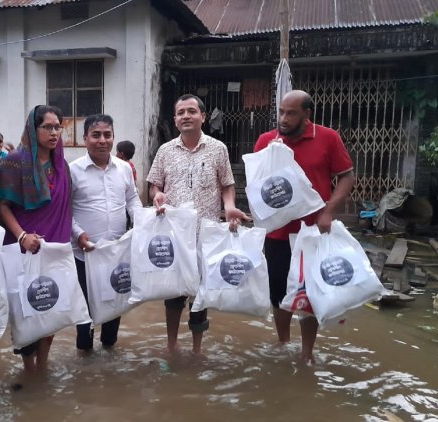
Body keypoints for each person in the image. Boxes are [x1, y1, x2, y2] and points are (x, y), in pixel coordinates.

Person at [254, 90, 355, 363]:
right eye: (281, 112)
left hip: (311, 233)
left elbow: (346, 176)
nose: (284, 119)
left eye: (291, 113)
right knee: (278, 291)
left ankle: (307, 353)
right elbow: (259, 186)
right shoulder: (266, 141)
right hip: (277, 233)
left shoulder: (327, 138)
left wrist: (328, 211)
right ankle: (283, 342)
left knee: (308, 292)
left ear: (306, 114)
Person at [146, 93, 249, 355]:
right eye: (181, 113)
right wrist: (156, 195)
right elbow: (154, 184)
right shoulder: (165, 151)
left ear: (203, 117)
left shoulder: (218, 148)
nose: (186, 116)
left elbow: (227, 185)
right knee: (173, 294)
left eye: (192, 111)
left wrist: (228, 208)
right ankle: (171, 346)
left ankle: (196, 350)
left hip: (207, 234)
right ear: (175, 119)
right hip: (175, 237)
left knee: (201, 294)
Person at [0, 105, 72, 372]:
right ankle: (29, 366)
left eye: (57, 127)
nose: (53, 133)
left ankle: (43, 364)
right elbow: (2, 205)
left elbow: (66, 207)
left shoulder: (62, 166)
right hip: (22, 247)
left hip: (53, 247)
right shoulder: (14, 161)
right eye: (47, 127)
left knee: (51, 303)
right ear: (33, 128)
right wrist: (22, 236)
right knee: (25, 308)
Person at [70, 115, 142, 352]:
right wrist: (78, 233)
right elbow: (63, 211)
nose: (102, 140)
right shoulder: (73, 171)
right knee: (85, 309)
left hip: (117, 252)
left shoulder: (123, 168)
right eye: (96, 135)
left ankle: (110, 349)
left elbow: (132, 199)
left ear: (113, 137)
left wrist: (142, 221)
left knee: (116, 301)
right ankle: (85, 355)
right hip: (85, 254)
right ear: (85, 139)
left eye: (107, 135)